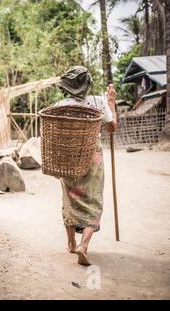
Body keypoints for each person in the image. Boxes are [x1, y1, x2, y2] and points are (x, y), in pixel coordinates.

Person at [54, 66, 117, 266]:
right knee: (94, 201)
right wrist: (111, 103)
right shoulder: (98, 102)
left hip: (69, 156)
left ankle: (71, 243)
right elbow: (111, 127)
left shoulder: (60, 105)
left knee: (70, 200)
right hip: (93, 158)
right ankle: (84, 245)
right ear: (87, 84)